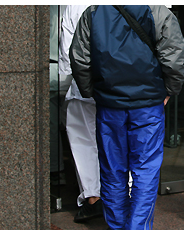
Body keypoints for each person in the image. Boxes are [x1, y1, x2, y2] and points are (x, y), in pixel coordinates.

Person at [69, 5, 184, 230]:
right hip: (148, 106)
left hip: (110, 105)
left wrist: (92, 92)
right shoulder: (158, 11)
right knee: (145, 171)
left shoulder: (93, 12)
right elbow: (174, 56)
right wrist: (170, 89)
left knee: (112, 170)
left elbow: (80, 58)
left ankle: (117, 226)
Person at [58, 4, 104, 223]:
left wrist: (65, 86)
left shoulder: (74, 5)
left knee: (83, 140)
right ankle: (127, 194)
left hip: (82, 84)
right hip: (121, 84)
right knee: (121, 137)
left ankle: (93, 198)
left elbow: (68, 51)